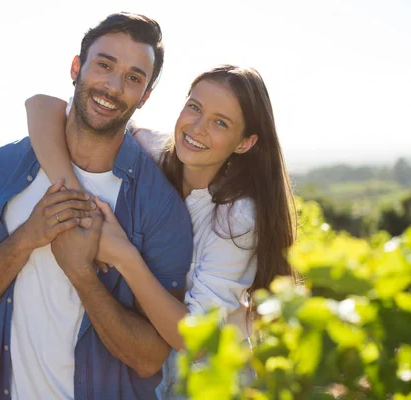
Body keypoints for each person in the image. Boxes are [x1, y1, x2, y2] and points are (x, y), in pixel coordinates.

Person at [0, 12, 194, 400]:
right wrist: (27, 237)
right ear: (77, 67)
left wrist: (81, 273)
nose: (112, 86)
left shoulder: (159, 206)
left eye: (133, 78)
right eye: (104, 65)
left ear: (144, 97)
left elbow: (149, 359)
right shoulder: (8, 167)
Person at [25, 64, 297, 398]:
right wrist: (77, 201)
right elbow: (41, 107)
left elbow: (194, 341)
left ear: (245, 143)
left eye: (220, 122)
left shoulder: (236, 217)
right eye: (194, 107)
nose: (197, 128)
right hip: (160, 380)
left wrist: (123, 255)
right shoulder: (156, 151)